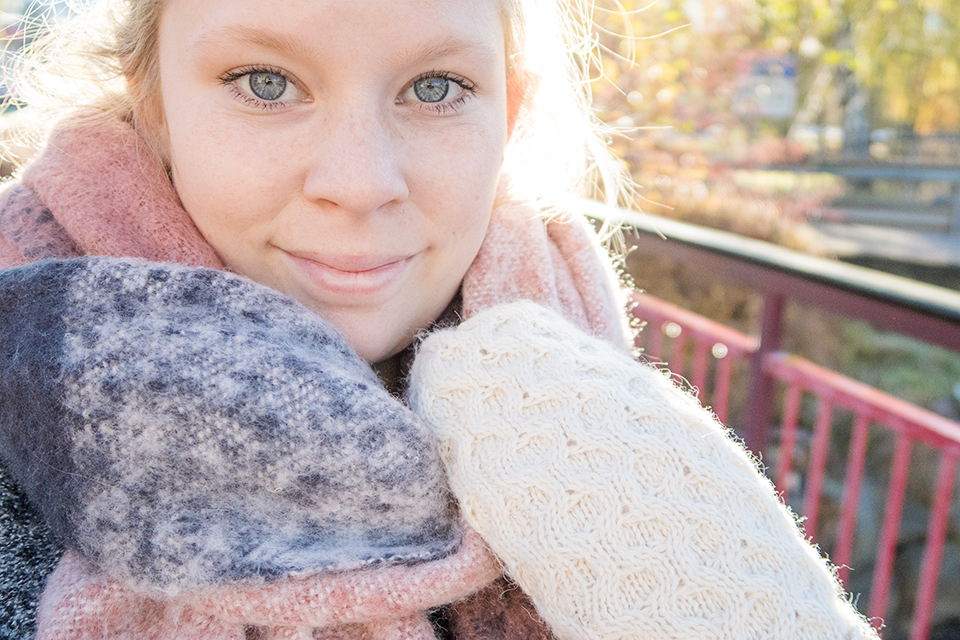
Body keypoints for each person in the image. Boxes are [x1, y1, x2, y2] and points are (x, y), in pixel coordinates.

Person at [0, 0, 879, 638]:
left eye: (435, 87)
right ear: (152, 102)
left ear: (510, 113)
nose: (360, 179)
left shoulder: (592, 405)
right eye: (265, 83)